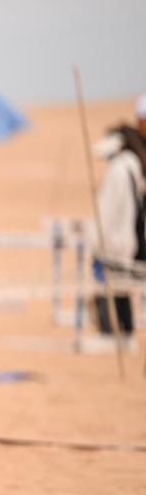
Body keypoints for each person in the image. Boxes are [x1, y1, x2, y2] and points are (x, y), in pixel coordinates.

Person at [89, 94, 146, 337]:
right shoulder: (128, 168)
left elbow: (113, 214)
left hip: (122, 251)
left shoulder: (128, 168)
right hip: (121, 250)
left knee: (119, 314)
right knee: (118, 310)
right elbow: (109, 212)